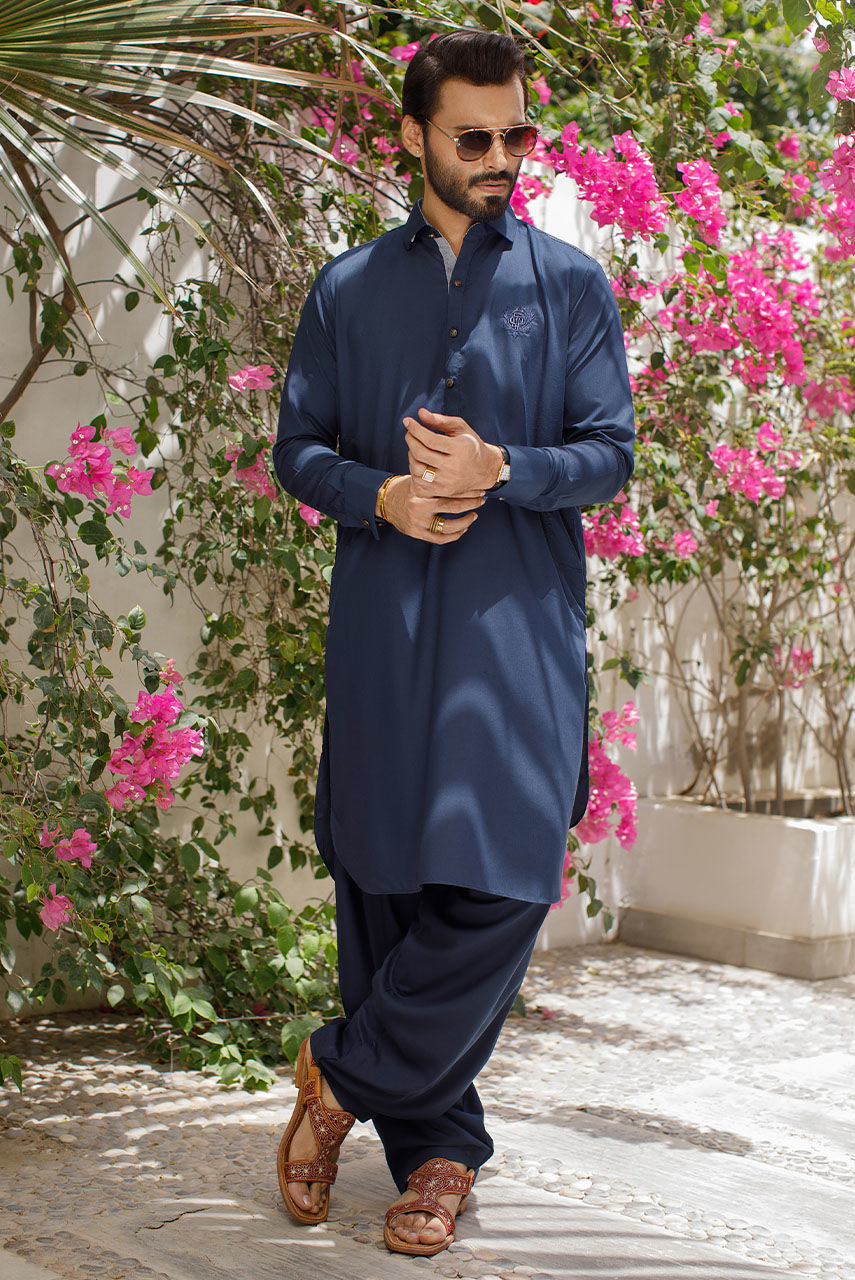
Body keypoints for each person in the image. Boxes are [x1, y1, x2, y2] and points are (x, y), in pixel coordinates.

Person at [272, 27, 634, 1257]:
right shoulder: (347, 290)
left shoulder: (570, 286)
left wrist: (503, 468)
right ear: (415, 138)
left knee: (508, 874)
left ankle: (339, 1073)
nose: (500, 157)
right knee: (384, 880)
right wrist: (381, 493)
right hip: (387, 629)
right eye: (473, 137)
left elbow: (609, 453)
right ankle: (438, 1154)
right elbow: (298, 450)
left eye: (515, 134)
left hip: (517, 635)